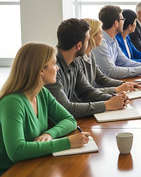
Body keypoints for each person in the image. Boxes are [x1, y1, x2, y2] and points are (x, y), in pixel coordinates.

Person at [0, 42, 90, 174]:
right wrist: (67, 142)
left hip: (34, 164)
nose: (58, 68)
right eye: (54, 64)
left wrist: (49, 134)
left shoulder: (42, 93)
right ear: (41, 70)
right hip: (13, 171)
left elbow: (70, 120)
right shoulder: (12, 102)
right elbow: (17, 151)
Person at [45, 18, 129, 118]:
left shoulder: (74, 61)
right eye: (87, 40)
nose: (89, 42)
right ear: (79, 45)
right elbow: (65, 108)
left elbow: (87, 91)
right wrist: (107, 105)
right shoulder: (52, 68)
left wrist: (114, 98)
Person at [79, 18, 141, 94]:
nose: (102, 36)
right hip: (93, 97)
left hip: (97, 95)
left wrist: (124, 84)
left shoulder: (90, 55)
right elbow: (86, 92)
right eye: (100, 33)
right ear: (92, 37)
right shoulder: (78, 60)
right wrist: (117, 89)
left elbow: (101, 78)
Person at [92, 5, 141, 79]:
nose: (124, 22)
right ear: (116, 23)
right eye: (122, 19)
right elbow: (111, 72)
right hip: (103, 88)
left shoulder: (113, 40)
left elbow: (124, 62)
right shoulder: (101, 43)